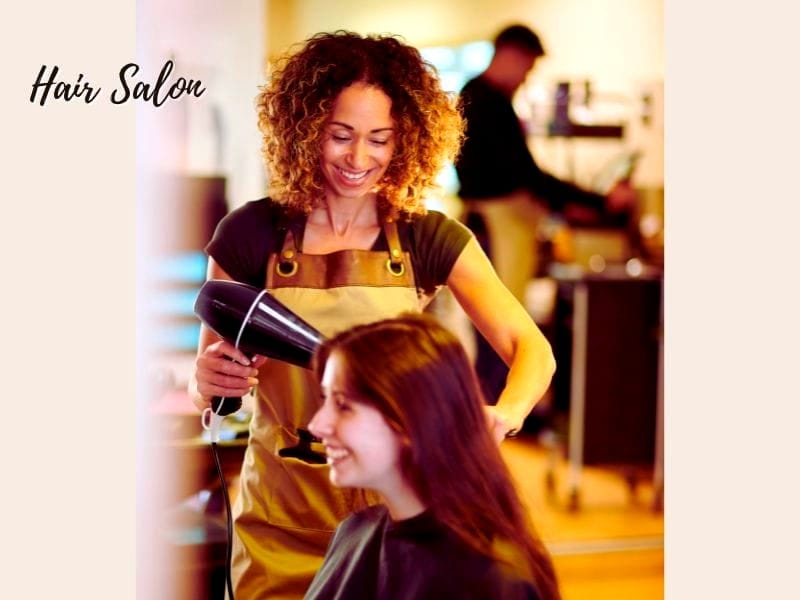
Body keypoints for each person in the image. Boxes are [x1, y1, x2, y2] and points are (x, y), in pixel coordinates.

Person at [190, 30, 555, 599]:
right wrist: (208, 380)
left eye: (379, 139)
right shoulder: (248, 234)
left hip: (393, 526)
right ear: (306, 130)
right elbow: (205, 379)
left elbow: (532, 349)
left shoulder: (426, 237)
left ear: (406, 139)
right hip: (281, 519)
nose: (359, 159)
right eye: (341, 136)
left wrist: (502, 415)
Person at [305, 314, 561, 599]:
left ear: (408, 419)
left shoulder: (491, 580)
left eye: (343, 406)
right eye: (324, 400)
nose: (317, 425)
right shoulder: (353, 534)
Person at [455, 23, 635, 403]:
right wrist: (599, 203)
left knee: (494, 334)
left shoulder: (485, 98)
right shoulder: (485, 101)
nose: (526, 77)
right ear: (511, 55)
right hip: (492, 231)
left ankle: (492, 423)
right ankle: (492, 426)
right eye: (528, 67)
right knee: (498, 335)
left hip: (491, 229)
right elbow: (525, 176)